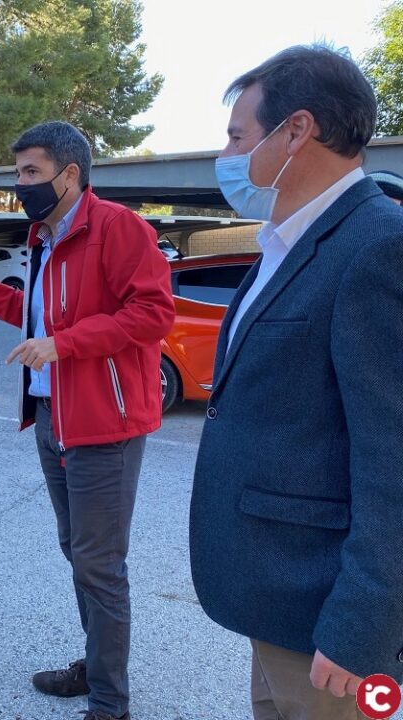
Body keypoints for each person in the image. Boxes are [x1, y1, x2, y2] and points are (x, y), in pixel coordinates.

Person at [190, 45, 403, 720]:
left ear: (296, 131)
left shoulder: (378, 247)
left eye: (236, 136)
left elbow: (393, 458)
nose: (226, 155)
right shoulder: (284, 241)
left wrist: (360, 624)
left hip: (326, 619)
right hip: (276, 598)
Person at [0, 121, 174, 720]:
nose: (20, 185)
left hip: (106, 425)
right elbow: (32, 316)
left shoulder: (120, 229)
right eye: (19, 173)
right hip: (53, 417)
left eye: (31, 173)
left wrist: (65, 345)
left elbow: (153, 314)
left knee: (99, 562)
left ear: (70, 175)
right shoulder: (43, 237)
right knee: (79, 552)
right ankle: (97, 669)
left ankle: (110, 702)